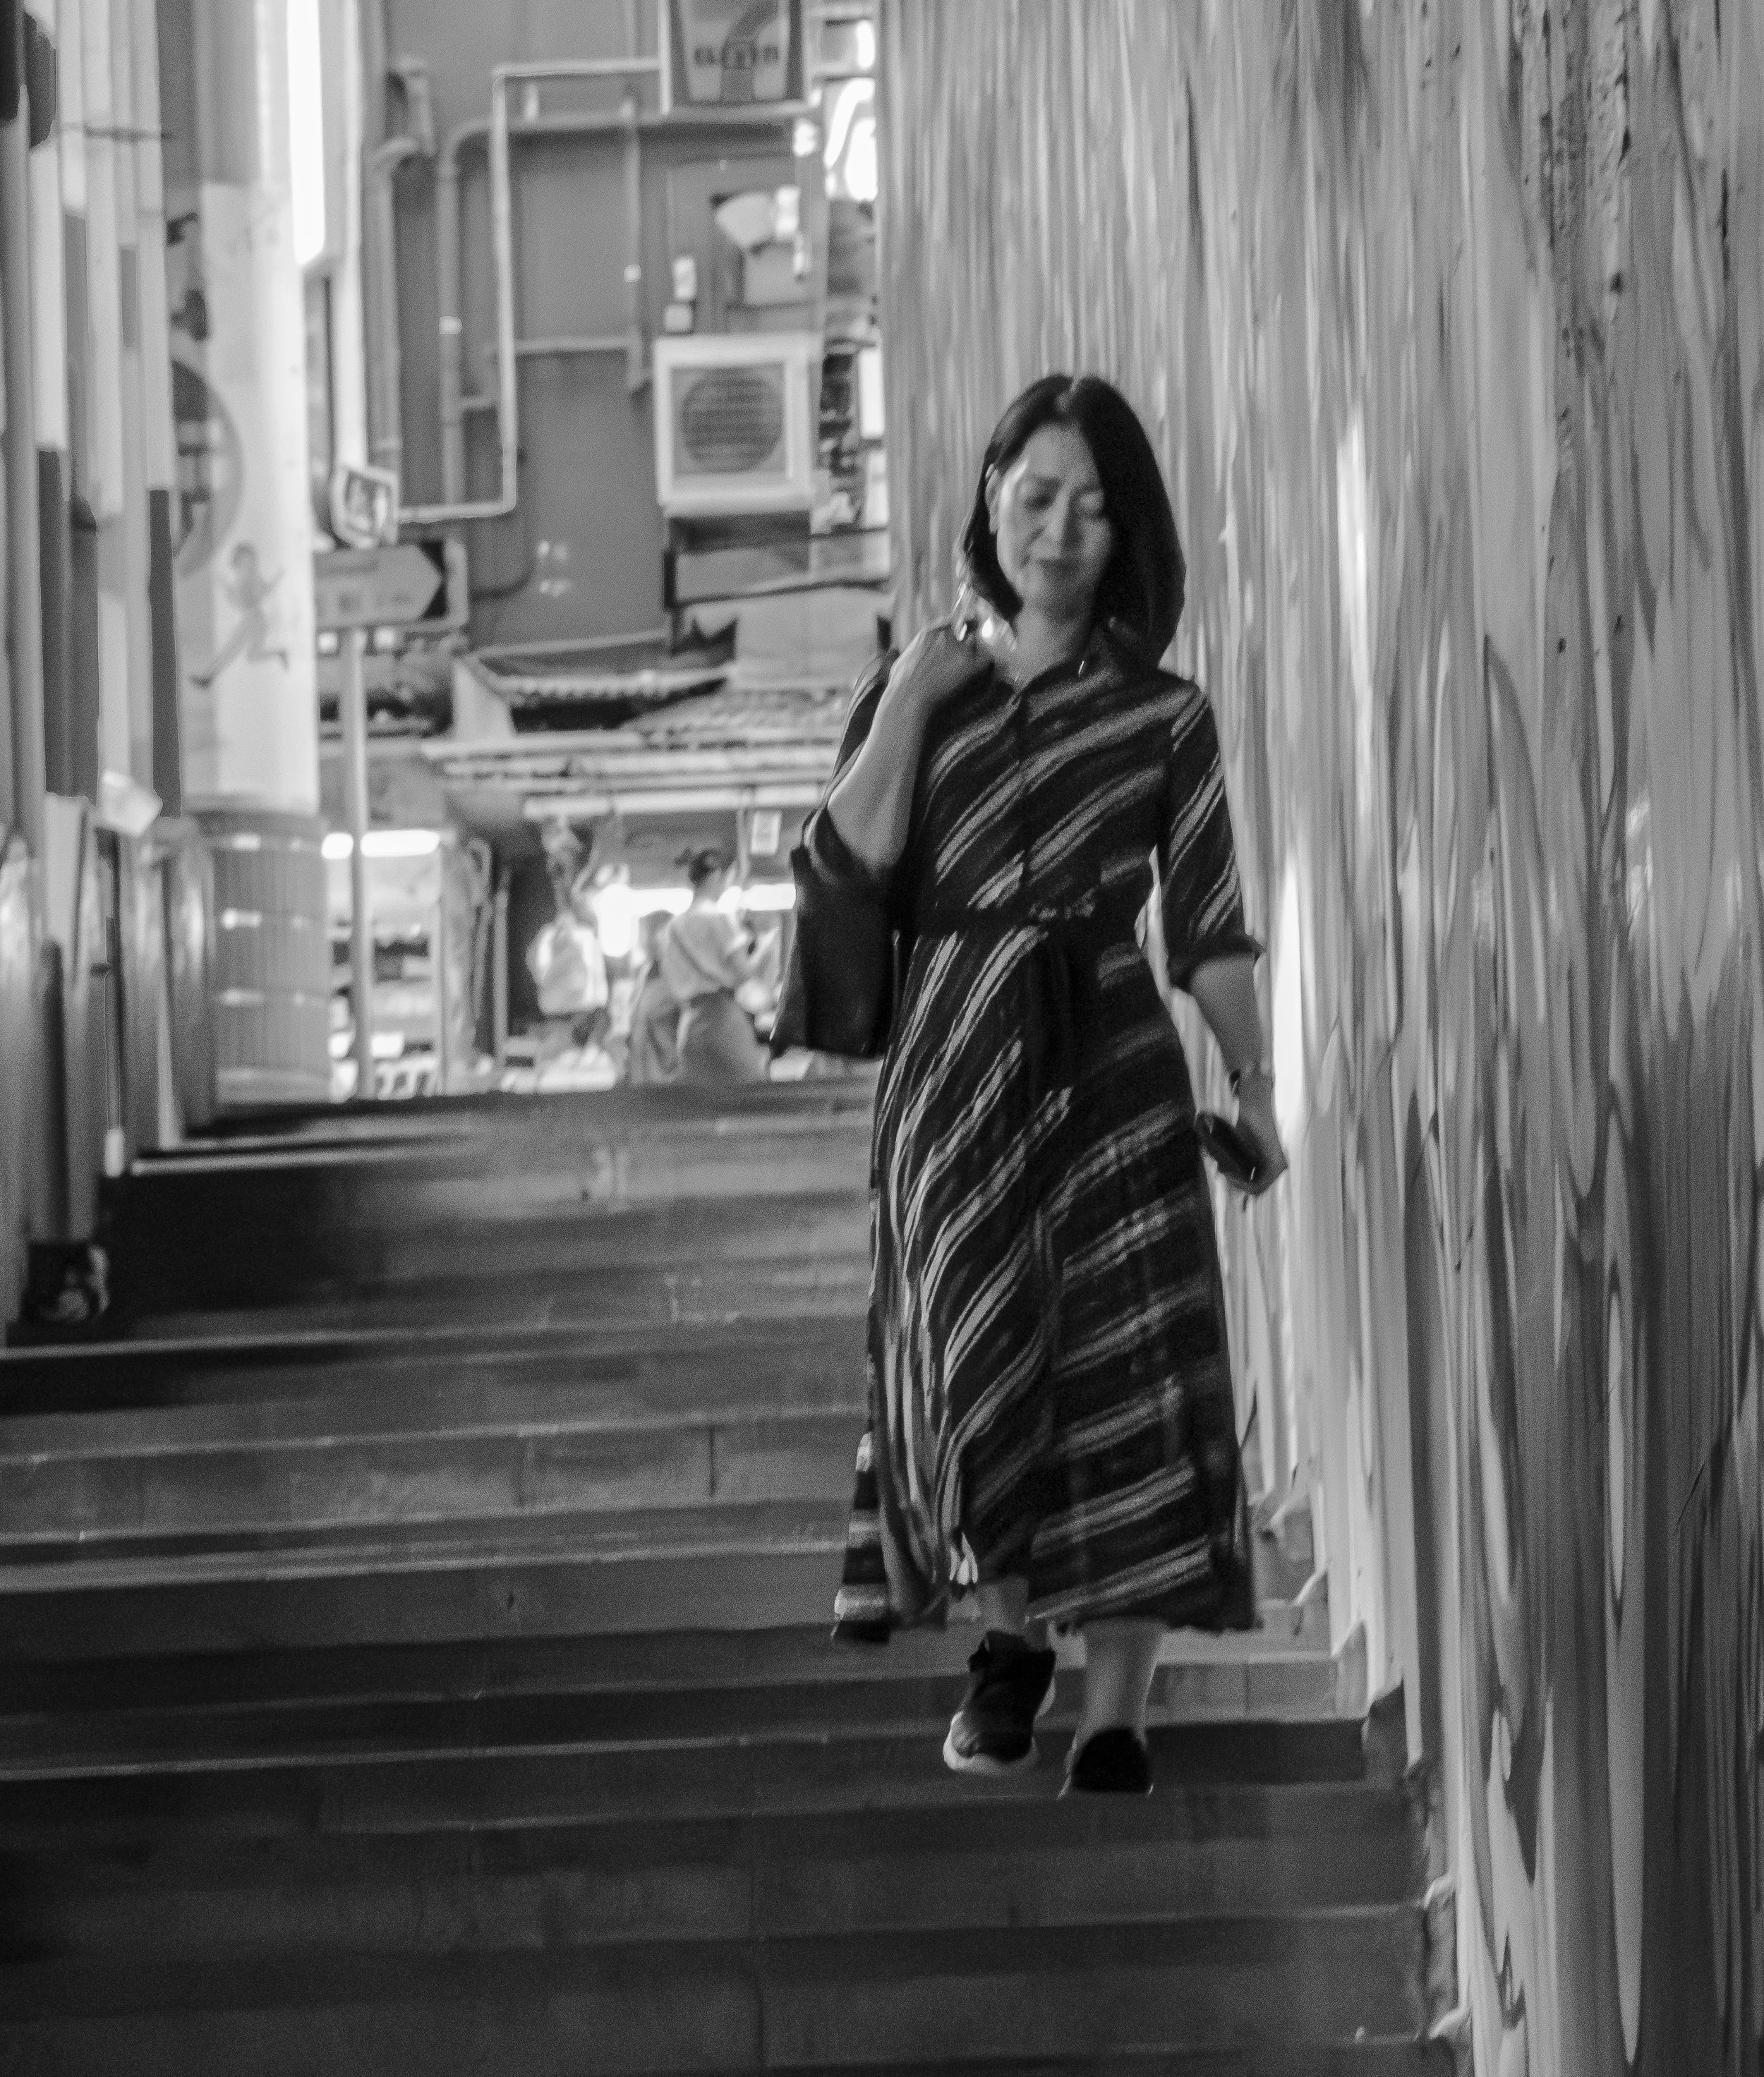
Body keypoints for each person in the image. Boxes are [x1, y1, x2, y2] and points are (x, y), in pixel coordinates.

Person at [806, 373, 1287, 1796]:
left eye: (1090, 504)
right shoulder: (922, 689)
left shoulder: (1162, 715)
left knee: (1127, 1363)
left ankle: (1116, 1716)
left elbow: (1203, 925)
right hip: (951, 1066)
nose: (1058, 528)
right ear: (988, 503)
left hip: (1109, 1070)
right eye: (1033, 497)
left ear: (1124, 529)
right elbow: (843, 868)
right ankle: (1007, 1640)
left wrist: (1254, 1088)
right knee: (966, 1349)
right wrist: (906, 699)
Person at [660, 850, 779, 1084]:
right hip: (723, 1019)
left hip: (690, 1022)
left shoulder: (674, 927)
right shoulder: (718, 919)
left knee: (700, 1096)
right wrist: (766, 948)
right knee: (747, 1090)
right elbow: (743, 974)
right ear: (716, 877)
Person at [526, 852, 610, 1065]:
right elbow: (540, 967)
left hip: (584, 1014)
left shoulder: (588, 935)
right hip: (568, 1014)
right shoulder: (555, 935)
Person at [625, 910, 681, 1085]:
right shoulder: (643, 973)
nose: (647, 940)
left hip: (670, 1077)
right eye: (644, 934)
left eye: (655, 933)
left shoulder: (681, 975)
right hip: (642, 1075)